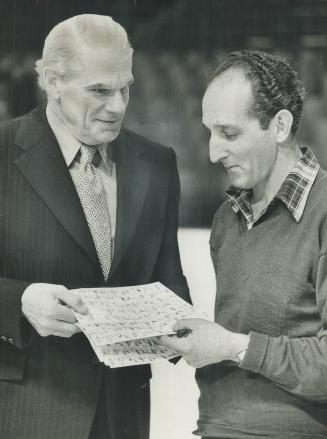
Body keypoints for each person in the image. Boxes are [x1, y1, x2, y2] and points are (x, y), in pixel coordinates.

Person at [0, 14, 189, 439]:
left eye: (126, 87)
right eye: (100, 90)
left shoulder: (158, 164)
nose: (119, 106)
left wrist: (190, 332)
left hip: (125, 416)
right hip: (25, 415)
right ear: (52, 80)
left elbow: (170, 283)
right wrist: (20, 301)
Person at [161, 50, 327, 438]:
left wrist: (232, 347)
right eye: (210, 133)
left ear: (280, 126)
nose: (213, 152)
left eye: (230, 133)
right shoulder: (227, 218)